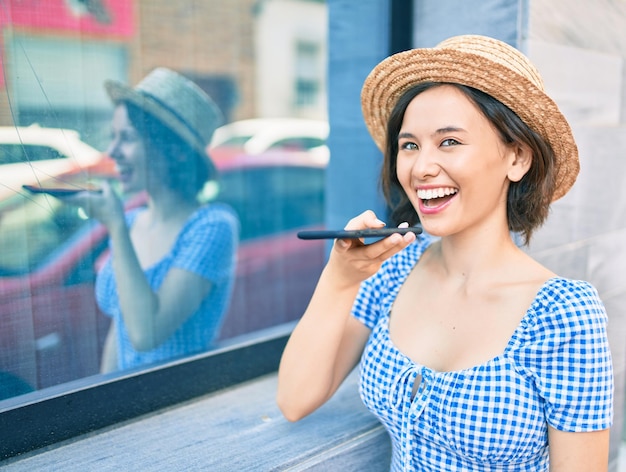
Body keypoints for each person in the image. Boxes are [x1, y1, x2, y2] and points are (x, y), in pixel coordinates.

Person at [276, 35, 613, 471]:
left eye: (449, 142)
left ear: (517, 158)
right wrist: (339, 279)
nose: (420, 168)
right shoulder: (392, 269)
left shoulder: (563, 313)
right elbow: (295, 399)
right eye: (410, 145)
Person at [66, 68, 239, 373]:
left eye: (128, 138)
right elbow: (119, 330)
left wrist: (115, 227)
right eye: (113, 137)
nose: (113, 151)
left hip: (178, 406)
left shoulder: (212, 226)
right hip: (128, 404)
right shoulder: (131, 221)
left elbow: (147, 334)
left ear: (175, 152)